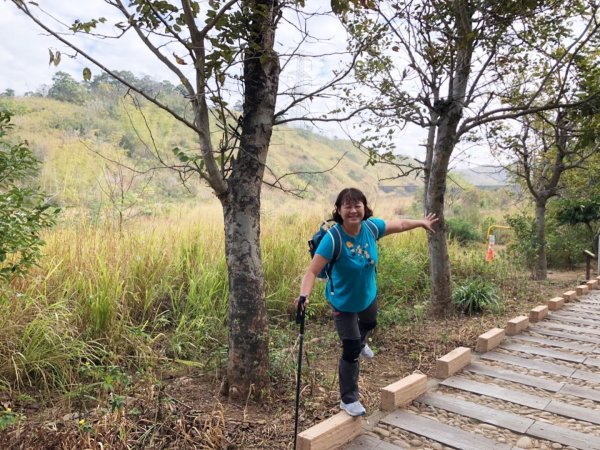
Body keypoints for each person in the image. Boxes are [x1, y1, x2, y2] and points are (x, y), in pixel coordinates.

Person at [295, 187, 438, 417]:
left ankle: (362, 342)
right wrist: (304, 296)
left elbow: (399, 225)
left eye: (357, 205)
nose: (353, 210)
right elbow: (311, 272)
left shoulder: (371, 228)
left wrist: (421, 222)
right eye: (347, 206)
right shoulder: (333, 239)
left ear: (364, 208)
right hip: (343, 302)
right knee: (350, 349)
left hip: (368, 296)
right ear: (339, 211)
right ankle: (348, 399)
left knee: (370, 323)